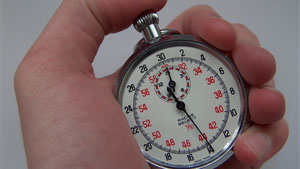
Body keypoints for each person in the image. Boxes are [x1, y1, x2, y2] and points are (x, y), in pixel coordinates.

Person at [14, 0, 288, 169]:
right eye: (176, 101)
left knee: (256, 99)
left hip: (218, 148)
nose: (179, 102)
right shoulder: (122, 98)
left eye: (178, 99)